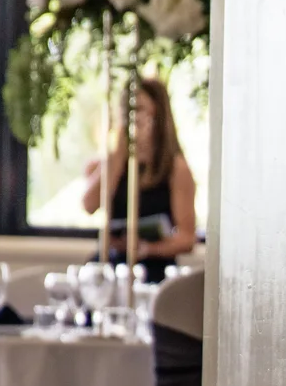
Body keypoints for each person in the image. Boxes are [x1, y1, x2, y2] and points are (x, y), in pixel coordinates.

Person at [82, 74, 199, 279]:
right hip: (113, 264)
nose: (133, 119)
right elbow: (89, 205)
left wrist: (148, 248)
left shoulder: (175, 168)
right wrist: (119, 152)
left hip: (153, 267)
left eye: (139, 111)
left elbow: (187, 239)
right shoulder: (110, 162)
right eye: (127, 112)